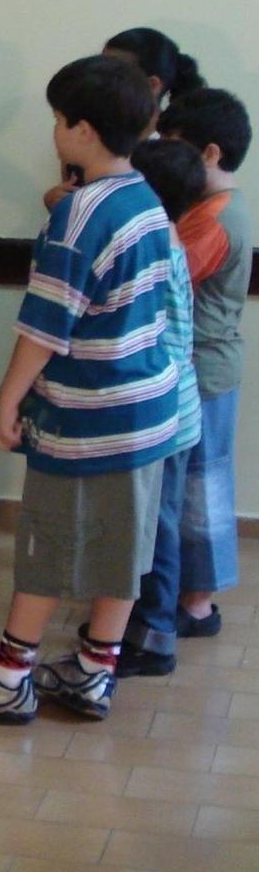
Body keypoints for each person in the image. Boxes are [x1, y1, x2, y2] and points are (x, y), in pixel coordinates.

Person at [0, 55, 177, 724]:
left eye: (60, 120)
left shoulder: (81, 214)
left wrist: (6, 401)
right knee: (125, 543)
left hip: (86, 414)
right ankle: (96, 669)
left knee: (47, 541)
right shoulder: (147, 199)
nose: (55, 131)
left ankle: (9, 674)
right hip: (150, 412)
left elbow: (44, 326)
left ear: (84, 131)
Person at [156, 88, 252, 640]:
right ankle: (190, 600)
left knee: (202, 491)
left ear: (211, 154)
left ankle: (196, 606)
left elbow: (174, 274)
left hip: (206, 370)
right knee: (197, 485)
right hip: (206, 368)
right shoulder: (211, 210)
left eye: (177, 147)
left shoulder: (217, 219)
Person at [115, 139, 206, 676]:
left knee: (157, 526)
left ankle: (154, 636)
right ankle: (143, 625)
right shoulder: (168, 237)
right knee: (155, 522)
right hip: (179, 403)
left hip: (166, 409)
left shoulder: (156, 244)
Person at [45, 27, 205, 208]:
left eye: (112, 74)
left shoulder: (173, 149)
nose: (96, 81)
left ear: (152, 85)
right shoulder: (83, 135)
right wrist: (56, 200)